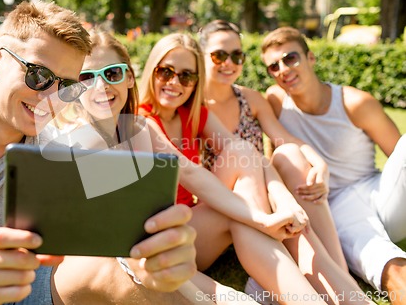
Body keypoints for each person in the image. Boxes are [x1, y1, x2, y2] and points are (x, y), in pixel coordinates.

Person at [0, 0, 198, 305]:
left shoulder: (60, 150)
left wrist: (159, 253)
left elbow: (108, 234)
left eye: (67, 86)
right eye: (38, 75)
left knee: (121, 276)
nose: (50, 97)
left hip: (22, 287)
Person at [64, 29, 376, 304]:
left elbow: (213, 167)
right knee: (243, 219)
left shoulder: (142, 128)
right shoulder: (83, 138)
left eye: (112, 74)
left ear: (128, 77)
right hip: (144, 256)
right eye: (86, 77)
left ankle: (321, 293)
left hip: (179, 234)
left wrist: (271, 213)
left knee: (248, 200)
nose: (100, 85)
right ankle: (323, 288)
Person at [260, 26, 406, 305]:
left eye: (290, 58)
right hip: (333, 205)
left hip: (379, 192)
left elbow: (398, 157)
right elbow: (275, 156)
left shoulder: (355, 102)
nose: (283, 70)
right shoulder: (276, 101)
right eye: (273, 66)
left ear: (310, 58)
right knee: (381, 258)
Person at [198, 19, 346, 270]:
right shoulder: (193, 105)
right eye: (219, 55)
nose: (229, 63)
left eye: (237, 55)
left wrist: (320, 163)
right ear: (201, 56)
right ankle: (324, 272)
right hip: (222, 208)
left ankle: (337, 266)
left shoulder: (250, 98)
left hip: (264, 197)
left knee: (290, 153)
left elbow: (285, 139)